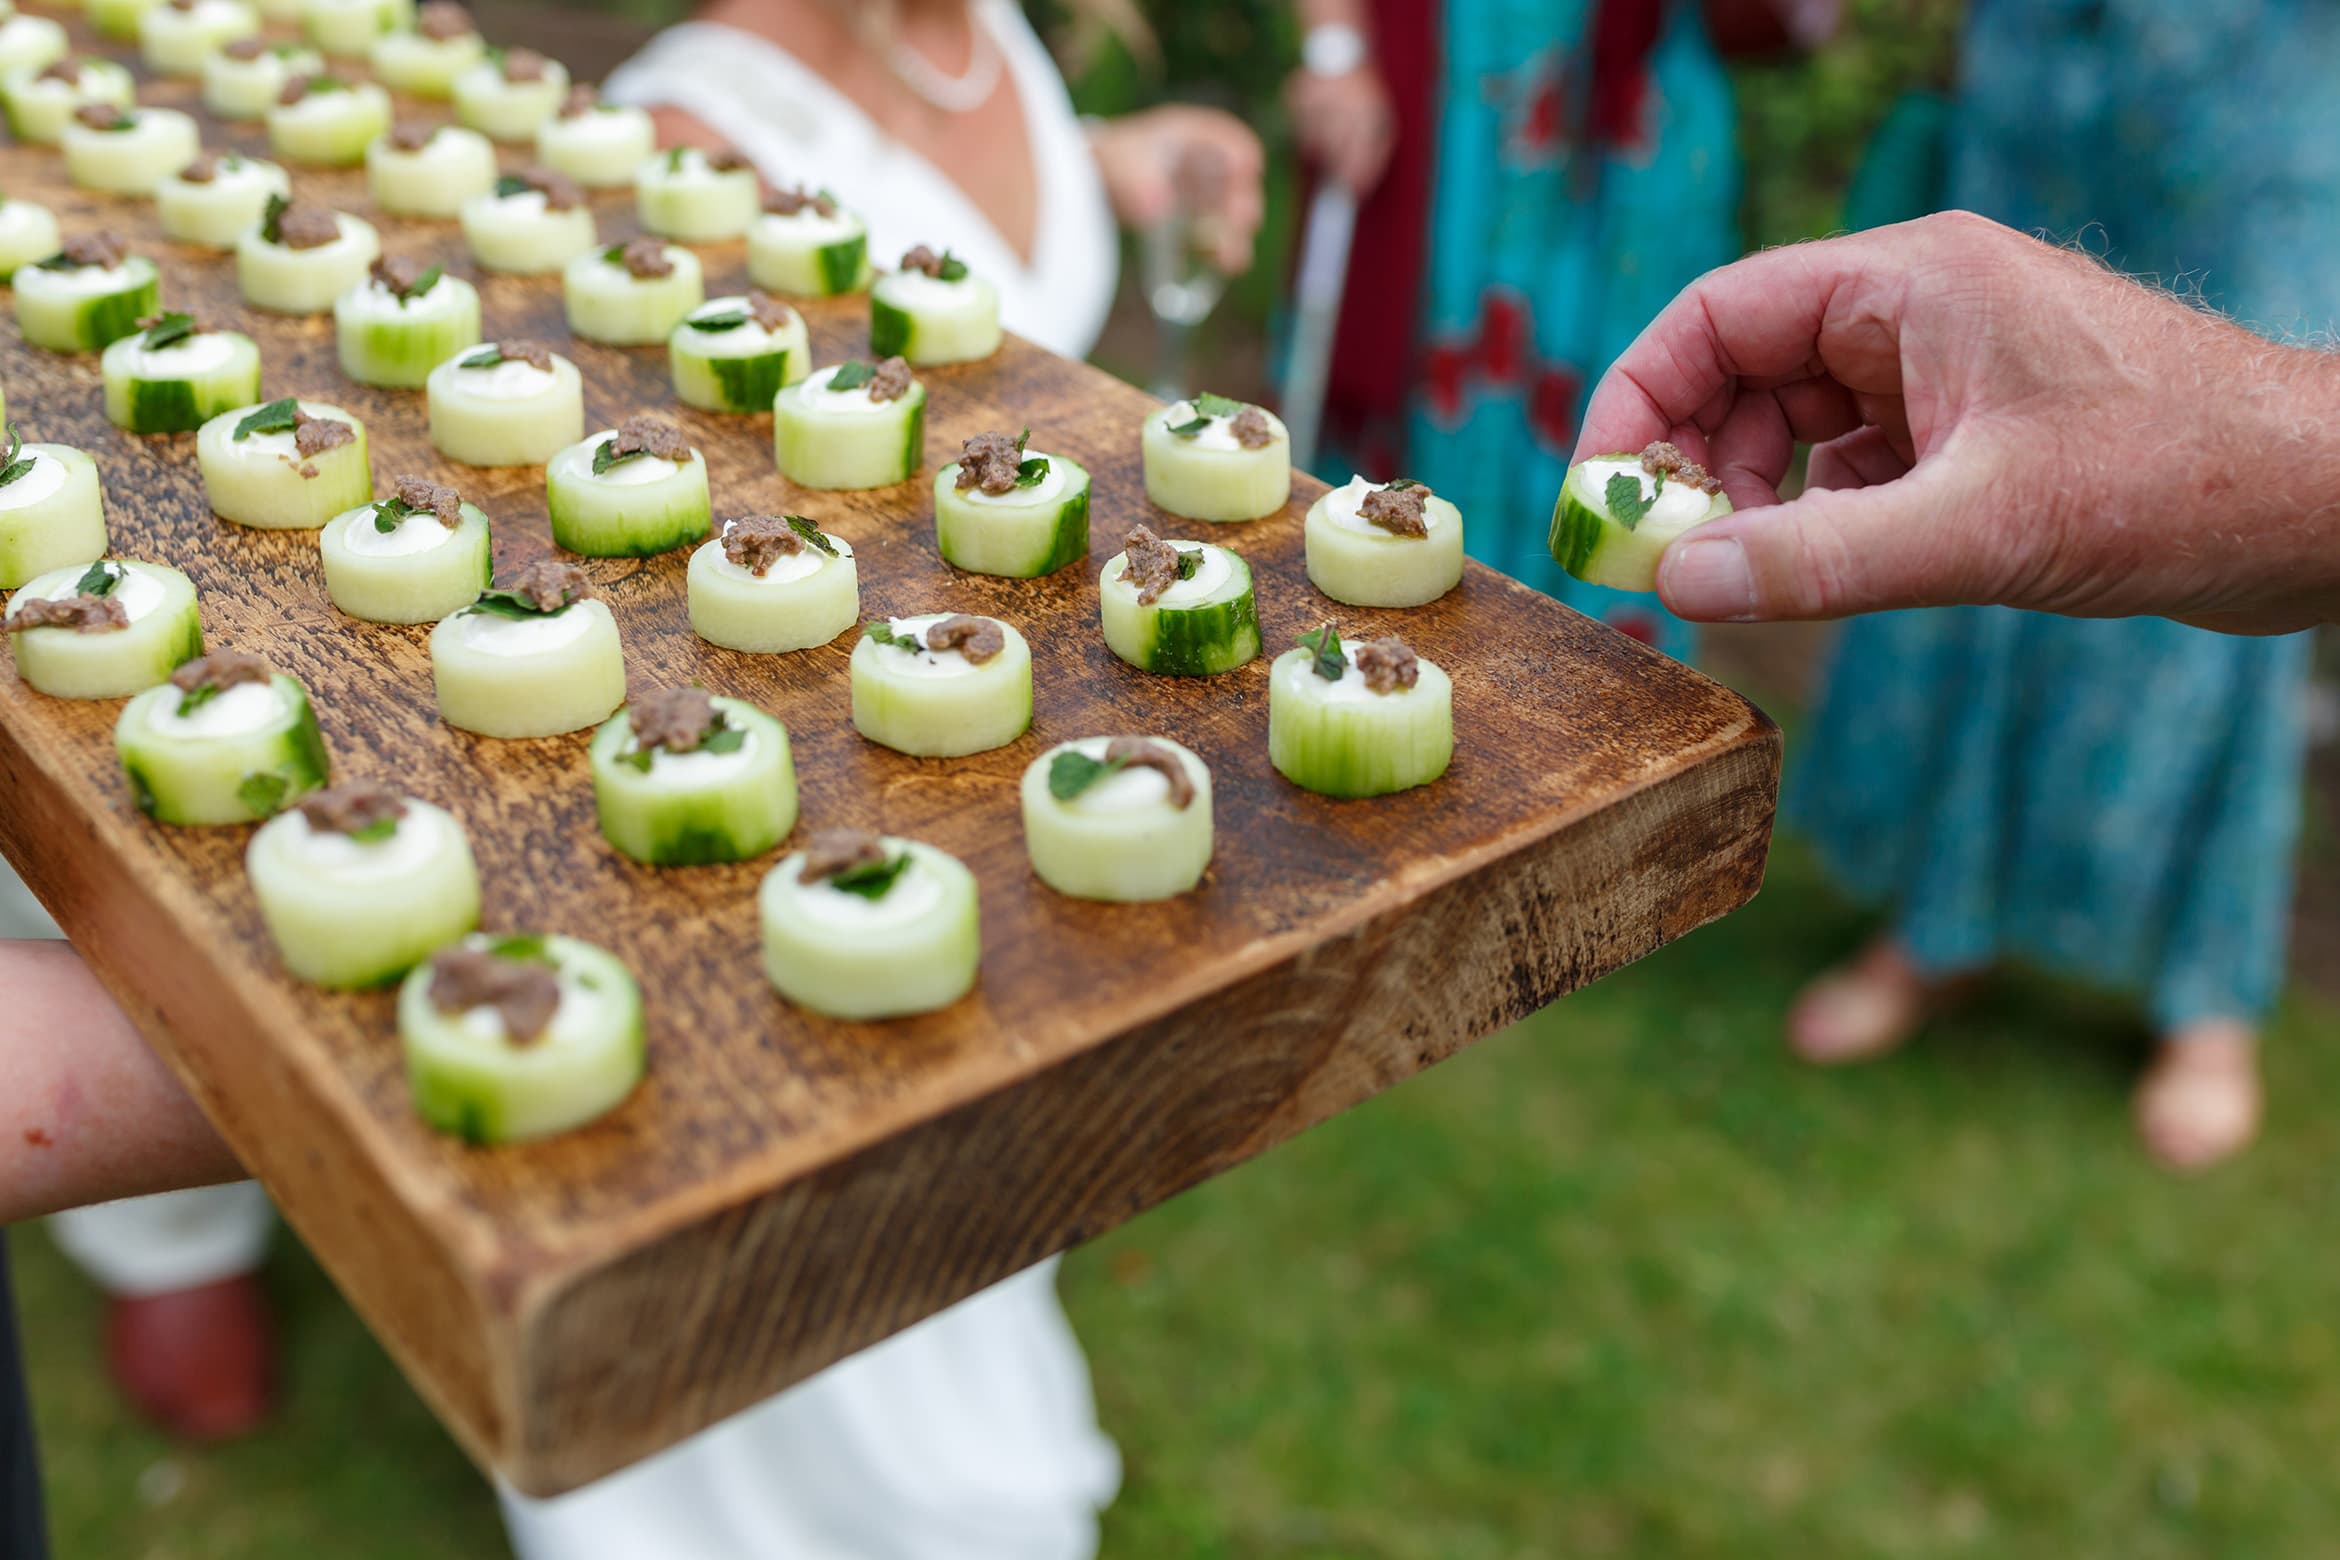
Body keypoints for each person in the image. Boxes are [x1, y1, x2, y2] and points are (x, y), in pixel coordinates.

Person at [489, 4, 1259, 1556]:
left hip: (1013, 718)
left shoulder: (981, 31)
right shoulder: (687, 145)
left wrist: (1110, 158)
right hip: (834, 753)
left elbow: (963, 249)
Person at [1772, 0, 2325, 1171]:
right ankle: (1942, 916)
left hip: (2259, 90)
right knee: (1969, 464)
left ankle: (2205, 993)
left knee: (2236, 506)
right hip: (2041, 70)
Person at [1282, 0, 1838, 661]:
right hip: (1462, 94)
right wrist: (1336, 47)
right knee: (1425, 413)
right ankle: (1374, 671)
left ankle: (1594, 725)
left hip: (1638, 119)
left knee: (1653, 407)